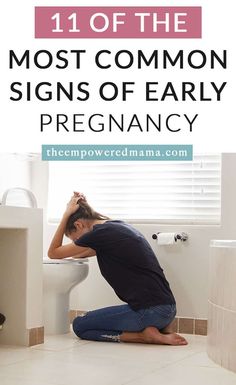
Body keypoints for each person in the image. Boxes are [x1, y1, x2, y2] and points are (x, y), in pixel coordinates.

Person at [48, 192, 187, 346]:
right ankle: (160, 329)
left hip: (149, 312)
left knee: (80, 325)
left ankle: (143, 336)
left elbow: (53, 253)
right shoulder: (117, 226)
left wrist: (66, 214)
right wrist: (81, 208)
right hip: (168, 310)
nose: (78, 242)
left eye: (75, 239)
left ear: (79, 225)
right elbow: (80, 254)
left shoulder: (98, 234)